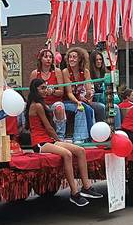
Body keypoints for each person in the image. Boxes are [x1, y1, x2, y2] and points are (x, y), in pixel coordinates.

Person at [26, 78, 103, 207]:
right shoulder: (37, 105)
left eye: (46, 87)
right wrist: (58, 139)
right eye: (42, 88)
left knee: (80, 150)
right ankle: (74, 193)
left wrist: (56, 140)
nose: (45, 90)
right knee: (67, 154)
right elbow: (48, 127)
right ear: (35, 90)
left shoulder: (41, 103)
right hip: (40, 143)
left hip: (48, 140)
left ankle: (87, 187)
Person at [29, 49, 69, 139]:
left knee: (59, 108)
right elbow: (32, 92)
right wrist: (42, 93)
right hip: (41, 103)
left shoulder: (57, 71)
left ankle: (60, 135)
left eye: (50, 57)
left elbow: (61, 92)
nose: (48, 59)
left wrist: (53, 91)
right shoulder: (35, 73)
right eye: (45, 57)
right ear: (40, 59)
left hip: (55, 101)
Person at [62, 47, 97, 143]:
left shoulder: (85, 72)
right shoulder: (66, 71)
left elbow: (89, 89)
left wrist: (89, 94)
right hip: (67, 101)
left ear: (80, 59)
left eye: (74, 57)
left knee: (91, 109)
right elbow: (69, 93)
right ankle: (81, 137)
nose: (71, 59)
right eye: (70, 57)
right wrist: (78, 102)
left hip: (78, 100)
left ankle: (91, 136)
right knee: (84, 108)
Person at [89, 50, 121, 128]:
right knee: (102, 107)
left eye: (100, 59)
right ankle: (104, 129)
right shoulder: (89, 73)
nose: (99, 61)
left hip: (106, 98)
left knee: (115, 107)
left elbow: (113, 86)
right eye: (96, 60)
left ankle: (117, 129)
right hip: (93, 100)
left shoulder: (106, 73)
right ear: (93, 61)